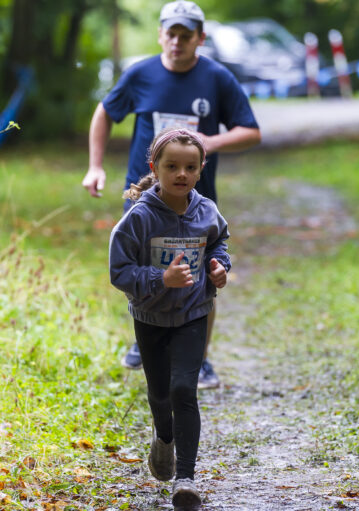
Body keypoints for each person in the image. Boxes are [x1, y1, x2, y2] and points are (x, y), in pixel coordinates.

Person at [82, 0, 260, 389]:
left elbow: (251, 130)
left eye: (185, 35)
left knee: (202, 279)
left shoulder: (217, 78)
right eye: (171, 34)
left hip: (195, 202)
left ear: (200, 38)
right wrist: (96, 165)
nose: (177, 42)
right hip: (142, 197)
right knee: (143, 269)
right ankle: (143, 337)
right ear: (160, 34)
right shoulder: (140, 74)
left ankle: (201, 360)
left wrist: (208, 143)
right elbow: (104, 113)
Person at [109, 128, 230, 508]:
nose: (181, 173)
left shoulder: (206, 210)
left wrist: (218, 267)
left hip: (194, 314)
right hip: (151, 317)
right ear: (155, 168)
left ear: (201, 169)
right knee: (161, 393)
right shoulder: (138, 218)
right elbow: (119, 271)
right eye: (172, 166)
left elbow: (219, 242)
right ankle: (163, 437)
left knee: (184, 390)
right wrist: (161, 278)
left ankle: (186, 478)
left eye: (190, 167)